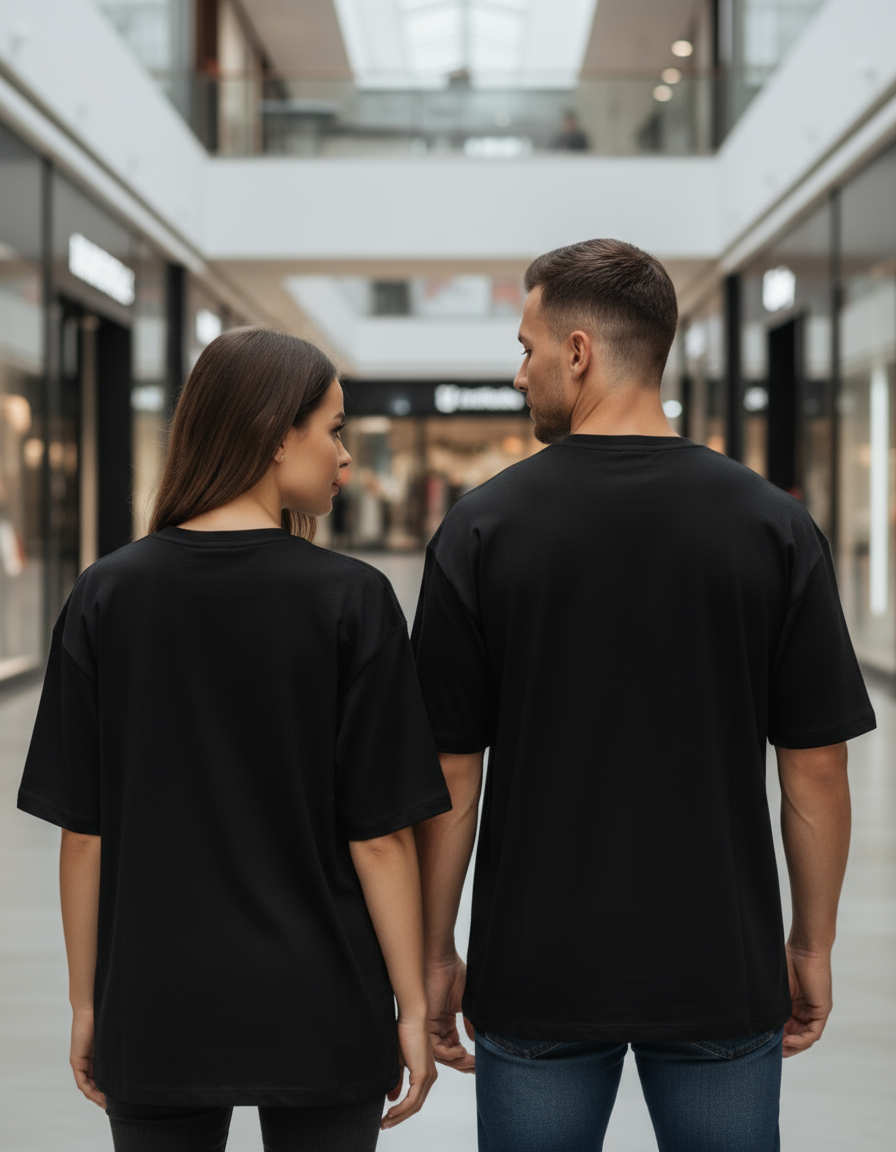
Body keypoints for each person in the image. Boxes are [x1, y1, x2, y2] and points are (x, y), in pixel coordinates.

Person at [410, 239, 875, 1152]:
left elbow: (450, 773)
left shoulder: (482, 529)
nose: (519, 373)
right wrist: (809, 946)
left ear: (577, 352)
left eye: (528, 345)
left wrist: (432, 954)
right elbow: (816, 767)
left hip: (538, 969)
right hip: (718, 964)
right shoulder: (773, 526)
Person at [17, 327, 451, 1151]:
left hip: (156, 1000)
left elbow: (86, 833)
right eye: (333, 429)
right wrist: (411, 1004)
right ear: (275, 431)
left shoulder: (107, 594)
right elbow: (382, 839)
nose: (344, 458)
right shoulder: (351, 602)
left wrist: (88, 1003)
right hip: (321, 997)